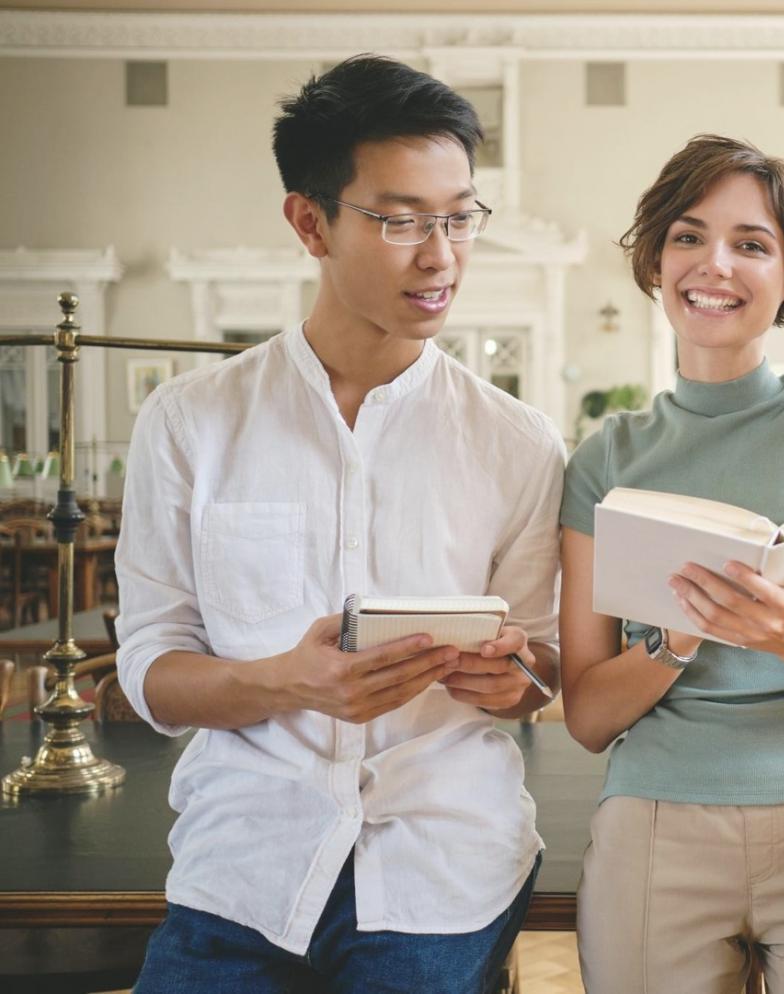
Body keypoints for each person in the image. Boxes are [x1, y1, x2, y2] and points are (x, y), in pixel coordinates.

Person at [115, 55, 564, 993]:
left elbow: (542, 672)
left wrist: (507, 677)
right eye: (400, 220)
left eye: (458, 216)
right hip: (243, 864)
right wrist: (287, 681)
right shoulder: (191, 421)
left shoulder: (519, 443)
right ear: (309, 221)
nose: (440, 253)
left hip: (441, 863)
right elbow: (153, 672)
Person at [559, 134, 784, 994]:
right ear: (656, 263)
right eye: (687, 237)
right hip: (653, 817)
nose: (712, 264)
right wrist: (678, 637)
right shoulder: (605, 458)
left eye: (751, 244)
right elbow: (585, 717)